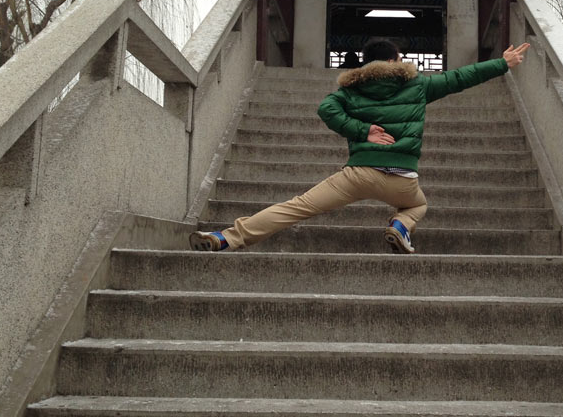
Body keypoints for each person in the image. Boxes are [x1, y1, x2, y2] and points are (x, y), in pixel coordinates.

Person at [189, 37, 530, 254]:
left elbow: (326, 108)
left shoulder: (350, 90)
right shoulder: (418, 86)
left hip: (357, 174)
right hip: (401, 179)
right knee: (417, 207)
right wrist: (502, 63)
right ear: (396, 60)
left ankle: (226, 238)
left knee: (297, 207)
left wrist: (362, 130)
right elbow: (459, 78)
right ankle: (400, 227)